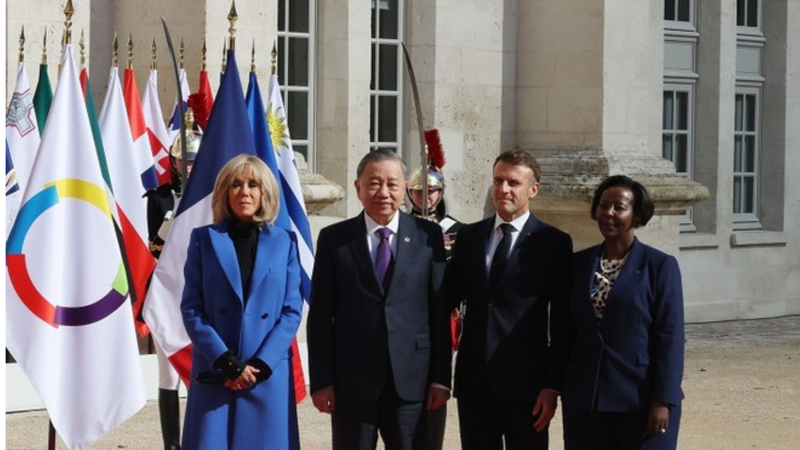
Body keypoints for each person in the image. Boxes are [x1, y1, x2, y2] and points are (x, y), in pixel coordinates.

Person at [307, 149, 451, 450]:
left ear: (404, 189)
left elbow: (439, 312)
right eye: (374, 183)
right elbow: (321, 315)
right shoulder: (335, 240)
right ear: (358, 187)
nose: (383, 192)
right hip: (353, 383)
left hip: (413, 383)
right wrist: (322, 380)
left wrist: (441, 378)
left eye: (392, 184)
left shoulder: (428, 237)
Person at [447, 148, 573, 450]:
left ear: (533, 189)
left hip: (527, 386)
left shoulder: (553, 243)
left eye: (513, 183)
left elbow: (562, 322)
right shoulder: (469, 237)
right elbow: (448, 296)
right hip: (474, 382)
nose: (503, 189)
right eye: (498, 180)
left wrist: (552, 386)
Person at [180, 154, 303, 450]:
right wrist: (225, 361)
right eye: (236, 184)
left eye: (253, 184)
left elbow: (291, 310)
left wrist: (259, 364)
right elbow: (192, 308)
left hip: (264, 373)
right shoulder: (203, 239)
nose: (244, 191)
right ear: (224, 191)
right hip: (216, 369)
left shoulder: (285, 242)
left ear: (265, 193)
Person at [561, 175, 684, 450]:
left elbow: (670, 338)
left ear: (636, 215)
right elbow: (567, 332)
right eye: (603, 205)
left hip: (640, 400)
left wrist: (663, 399)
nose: (609, 213)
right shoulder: (578, 264)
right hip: (586, 400)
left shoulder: (660, 266)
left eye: (619, 207)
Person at [144, 108, 203, 450]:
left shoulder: (212, 197)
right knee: (169, 374)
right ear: (175, 162)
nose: (191, 166)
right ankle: (171, 444)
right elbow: (152, 246)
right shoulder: (159, 197)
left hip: (202, 292)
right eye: (186, 160)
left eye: (196, 159)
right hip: (169, 294)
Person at [406, 153, 462, 450]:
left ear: (442, 193)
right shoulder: (401, 226)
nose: (425, 197)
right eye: (417, 191)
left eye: (432, 191)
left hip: (444, 313)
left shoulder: (457, 230)